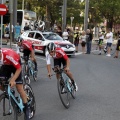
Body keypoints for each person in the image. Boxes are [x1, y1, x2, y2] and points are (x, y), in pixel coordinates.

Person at [0, 48, 30, 120]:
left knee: (19, 88)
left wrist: (13, 79)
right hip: (6, 65)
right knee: (1, 83)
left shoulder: (8, 55)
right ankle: (11, 92)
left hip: (16, 65)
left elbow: (19, 69)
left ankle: (26, 108)